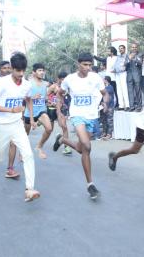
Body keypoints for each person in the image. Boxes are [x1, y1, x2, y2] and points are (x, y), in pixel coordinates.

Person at [0, 52, 40, 202]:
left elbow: (28, 100)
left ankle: (30, 189)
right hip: (1, 125)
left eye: (23, 71)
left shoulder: (27, 84)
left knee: (28, 154)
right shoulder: (0, 83)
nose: (20, 74)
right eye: (17, 71)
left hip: (17, 125)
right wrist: (11, 110)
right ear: (12, 69)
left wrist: (32, 118)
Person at [53, 52, 109, 200]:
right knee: (86, 145)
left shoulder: (96, 78)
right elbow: (59, 95)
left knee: (81, 149)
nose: (88, 68)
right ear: (78, 64)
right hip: (77, 115)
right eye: (85, 65)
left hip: (92, 116)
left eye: (90, 65)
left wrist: (105, 101)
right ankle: (90, 183)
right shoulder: (70, 80)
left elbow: (105, 93)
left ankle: (62, 140)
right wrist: (59, 113)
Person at [24, 63, 53, 159]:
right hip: (29, 112)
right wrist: (32, 97)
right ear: (34, 72)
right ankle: (22, 151)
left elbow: (44, 97)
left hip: (41, 110)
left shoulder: (45, 84)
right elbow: (23, 97)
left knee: (49, 129)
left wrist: (47, 101)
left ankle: (39, 146)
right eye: (39, 70)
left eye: (43, 70)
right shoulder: (28, 83)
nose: (42, 72)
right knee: (25, 135)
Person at [47, 71, 72, 155]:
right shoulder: (53, 87)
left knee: (64, 127)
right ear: (58, 79)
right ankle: (59, 137)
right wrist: (50, 102)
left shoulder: (67, 87)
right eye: (62, 79)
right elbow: (45, 96)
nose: (64, 81)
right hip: (52, 109)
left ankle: (66, 147)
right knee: (49, 129)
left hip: (62, 109)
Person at [126, 43, 143, 111]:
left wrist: (135, 58)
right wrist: (129, 59)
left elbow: (140, 63)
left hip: (137, 75)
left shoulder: (140, 54)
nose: (134, 48)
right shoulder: (127, 55)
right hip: (129, 75)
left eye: (135, 47)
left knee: (138, 91)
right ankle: (131, 106)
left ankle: (139, 106)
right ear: (131, 48)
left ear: (137, 48)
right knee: (130, 91)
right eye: (133, 47)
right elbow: (124, 63)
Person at [113, 45, 130, 110]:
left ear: (125, 49)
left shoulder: (127, 56)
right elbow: (115, 65)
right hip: (117, 73)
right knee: (119, 90)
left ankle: (127, 105)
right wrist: (114, 69)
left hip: (123, 73)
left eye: (122, 48)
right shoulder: (118, 56)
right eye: (119, 49)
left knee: (124, 89)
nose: (120, 50)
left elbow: (126, 64)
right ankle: (121, 106)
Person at [101, 76, 115, 140]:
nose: (102, 80)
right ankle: (104, 132)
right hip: (103, 106)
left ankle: (109, 134)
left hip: (109, 106)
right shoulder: (103, 87)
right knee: (104, 120)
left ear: (106, 80)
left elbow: (104, 93)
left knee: (109, 121)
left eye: (103, 79)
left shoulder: (110, 87)